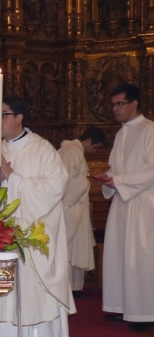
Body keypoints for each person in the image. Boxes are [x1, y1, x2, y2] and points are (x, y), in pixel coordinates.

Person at [0, 97, 75, 337]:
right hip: (0, 237)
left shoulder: (42, 149)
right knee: (1, 295)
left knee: (30, 297)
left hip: (30, 239)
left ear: (20, 117)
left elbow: (56, 187)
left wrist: (13, 178)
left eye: (3, 115)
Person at [93, 84, 154, 332]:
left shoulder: (150, 130)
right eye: (113, 104)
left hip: (142, 203)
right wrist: (107, 178)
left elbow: (151, 170)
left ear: (134, 103)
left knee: (140, 258)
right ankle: (120, 306)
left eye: (120, 104)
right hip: (122, 202)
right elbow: (118, 169)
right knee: (118, 255)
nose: (115, 109)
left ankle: (145, 312)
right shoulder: (120, 134)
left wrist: (117, 181)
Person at [58, 126, 104, 297]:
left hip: (76, 208)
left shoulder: (74, 150)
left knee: (74, 249)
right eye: (95, 147)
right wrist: (87, 182)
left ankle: (75, 287)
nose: (94, 151)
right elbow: (67, 181)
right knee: (69, 250)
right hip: (69, 208)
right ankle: (69, 288)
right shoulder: (71, 150)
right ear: (89, 141)